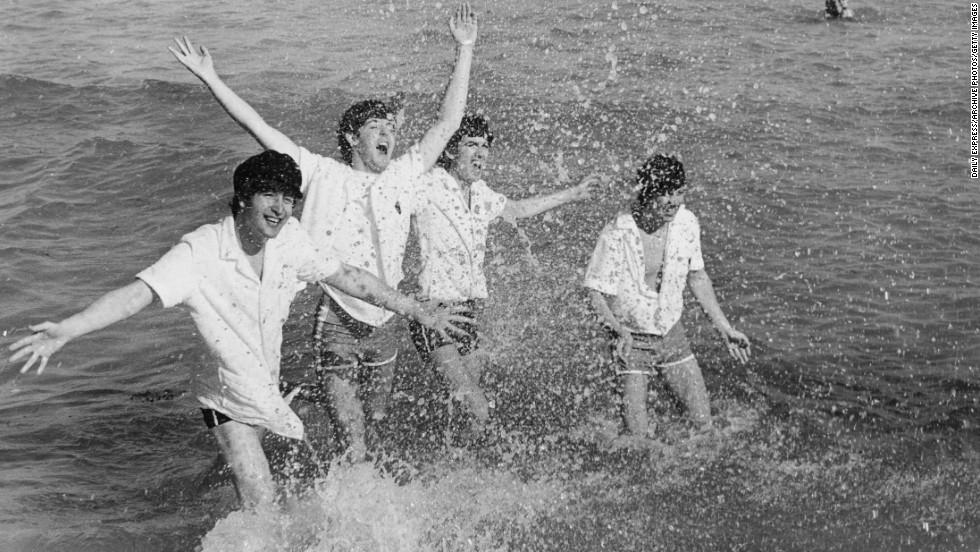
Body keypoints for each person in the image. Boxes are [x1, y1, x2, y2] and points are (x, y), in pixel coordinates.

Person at [7, 151, 469, 511]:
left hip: (264, 381)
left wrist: (418, 311)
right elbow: (137, 295)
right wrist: (68, 329)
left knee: (245, 462)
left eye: (290, 199)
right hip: (225, 396)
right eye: (270, 196)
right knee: (260, 492)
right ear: (245, 197)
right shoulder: (201, 252)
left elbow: (349, 276)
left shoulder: (288, 239)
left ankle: (190, 493)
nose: (281, 208)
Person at [169, 3, 479, 458]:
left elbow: (448, 122)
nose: (388, 133)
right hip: (336, 317)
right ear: (353, 138)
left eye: (392, 128)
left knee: (375, 422)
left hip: (386, 319)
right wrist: (211, 78)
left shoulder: (406, 173)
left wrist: (465, 48)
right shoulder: (318, 172)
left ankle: (307, 393)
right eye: (377, 126)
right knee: (353, 444)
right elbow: (258, 127)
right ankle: (328, 426)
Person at [406, 114, 599, 433]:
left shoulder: (480, 192)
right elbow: (387, 196)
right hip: (433, 310)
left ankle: (453, 468)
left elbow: (517, 210)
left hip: (467, 311)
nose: (480, 153)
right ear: (452, 150)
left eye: (485, 146)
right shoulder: (427, 185)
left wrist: (572, 194)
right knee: (477, 406)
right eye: (471, 145)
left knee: (466, 412)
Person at [582, 154, 751, 436]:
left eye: (679, 192)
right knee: (635, 442)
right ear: (648, 192)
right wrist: (616, 330)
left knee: (702, 426)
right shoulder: (617, 232)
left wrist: (725, 328)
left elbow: (697, 277)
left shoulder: (686, 223)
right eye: (666, 193)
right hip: (631, 341)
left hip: (672, 333)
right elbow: (594, 293)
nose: (674, 201)